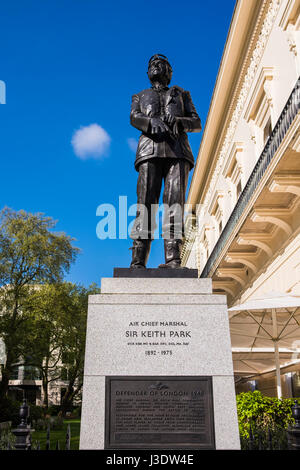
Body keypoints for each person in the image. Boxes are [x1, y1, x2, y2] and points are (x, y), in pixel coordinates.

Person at [129, 54, 201, 268]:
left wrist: (179, 121)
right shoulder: (139, 95)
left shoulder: (181, 94)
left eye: (161, 63)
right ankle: (138, 260)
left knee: (174, 205)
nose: (155, 66)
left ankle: (173, 258)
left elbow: (196, 122)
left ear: (169, 71)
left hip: (177, 151)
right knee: (145, 204)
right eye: (151, 64)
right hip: (149, 151)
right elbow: (134, 117)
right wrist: (151, 122)